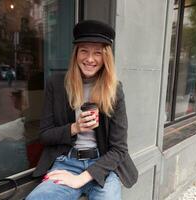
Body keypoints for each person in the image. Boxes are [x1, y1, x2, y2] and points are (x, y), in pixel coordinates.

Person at [26, 20, 138, 200]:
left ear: (106, 57)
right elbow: (45, 135)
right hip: (66, 162)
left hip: (102, 164)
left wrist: (80, 179)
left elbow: (119, 149)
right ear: (76, 53)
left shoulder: (114, 90)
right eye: (84, 50)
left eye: (97, 53)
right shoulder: (57, 84)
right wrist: (74, 128)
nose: (90, 59)